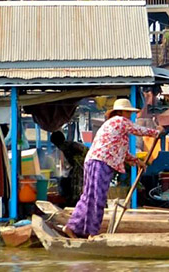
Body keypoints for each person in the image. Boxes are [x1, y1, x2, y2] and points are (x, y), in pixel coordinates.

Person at [63, 98, 162, 238]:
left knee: (89, 197)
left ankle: (74, 227)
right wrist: (157, 132)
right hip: (101, 162)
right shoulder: (119, 121)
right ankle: (90, 233)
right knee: (97, 198)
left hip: (95, 161)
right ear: (121, 112)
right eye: (128, 112)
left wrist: (137, 161)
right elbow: (139, 130)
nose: (129, 115)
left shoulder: (113, 126)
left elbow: (121, 151)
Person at [50, 131, 88, 207]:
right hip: (84, 164)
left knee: (75, 181)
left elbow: (74, 162)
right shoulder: (70, 144)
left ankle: (75, 202)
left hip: (82, 165)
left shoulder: (65, 146)